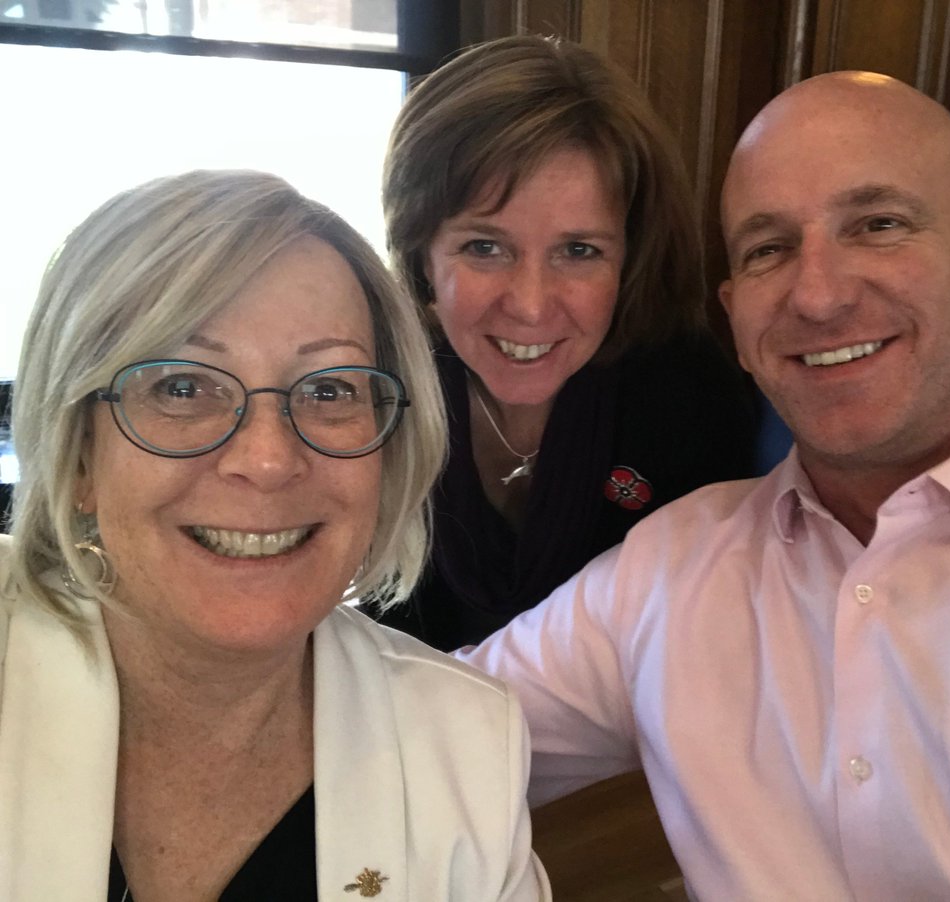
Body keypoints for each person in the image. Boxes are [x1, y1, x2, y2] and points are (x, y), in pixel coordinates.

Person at [462, 71, 950, 899]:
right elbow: (433, 731)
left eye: (878, 224)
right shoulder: (667, 570)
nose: (816, 294)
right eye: (769, 248)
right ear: (738, 321)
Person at [0, 170, 548, 901]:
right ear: (78, 458)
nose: (267, 460)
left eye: (328, 391)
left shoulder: (467, 743)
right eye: (183, 387)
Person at [379, 35, 756, 650]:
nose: (529, 304)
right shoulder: (372, 388)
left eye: (579, 251)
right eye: (484, 247)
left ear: (629, 259)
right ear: (422, 253)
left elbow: (696, 645)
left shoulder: (688, 393)